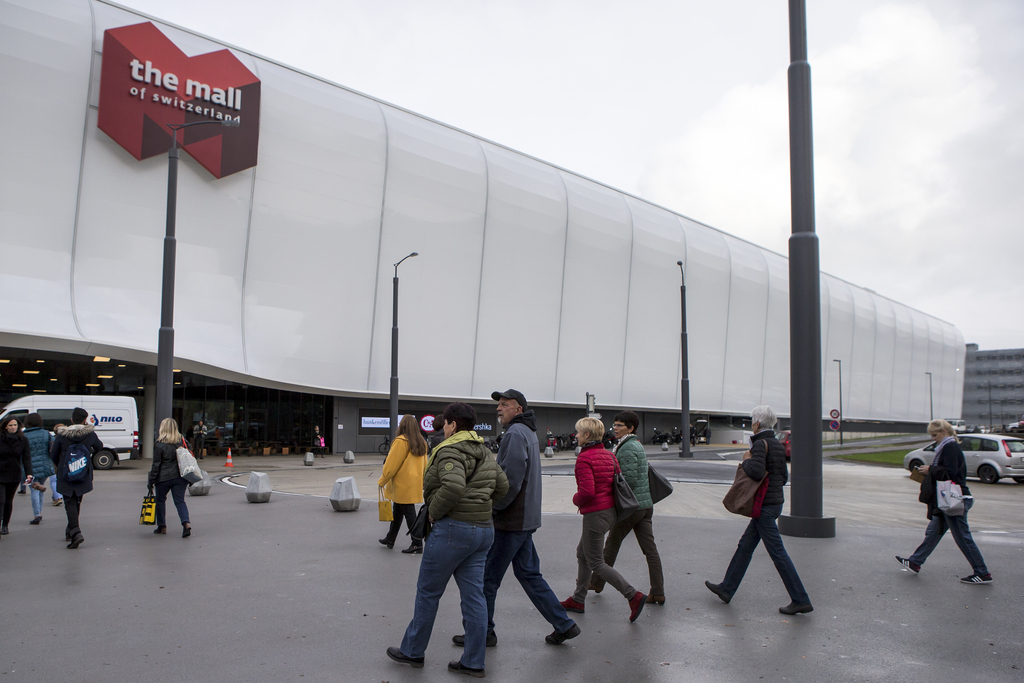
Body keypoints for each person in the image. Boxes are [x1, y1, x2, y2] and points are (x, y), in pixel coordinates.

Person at [387, 402, 509, 678]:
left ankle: (413, 651)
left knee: (429, 592)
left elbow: (453, 486)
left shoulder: (451, 449)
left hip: (454, 529)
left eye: (445, 425)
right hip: (483, 531)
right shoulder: (484, 450)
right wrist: (479, 502)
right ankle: (473, 662)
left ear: (453, 425)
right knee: (474, 597)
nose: (442, 430)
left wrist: (434, 514)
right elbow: (502, 487)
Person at [452, 389, 579, 648]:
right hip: (525, 519)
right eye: (498, 404)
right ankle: (564, 624)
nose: (499, 408)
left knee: (487, 578)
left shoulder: (515, 434)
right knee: (529, 575)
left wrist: (493, 509)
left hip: (511, 521)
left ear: (518, 409)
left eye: (504, 404)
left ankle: (483, 632)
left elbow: (510, 481)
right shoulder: (527, 432)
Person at [705, 405, 813, 615]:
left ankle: (801, 599)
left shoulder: (759, 444)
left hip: (763, 507)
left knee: (778, 553)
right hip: (774, 504)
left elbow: (755, 472)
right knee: (745, 546)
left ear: (756, 423)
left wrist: (746, 460)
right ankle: (727, 588)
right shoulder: (777, 444)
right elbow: (783, 477)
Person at [560, 416, 647, 623]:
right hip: (610, 512)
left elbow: (587, 491)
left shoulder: (584, 458)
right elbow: (616, 482)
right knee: (583, 554)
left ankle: (633, 595)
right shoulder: (609, 455)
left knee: (596, 563)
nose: (576, 436)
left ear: (587, 435)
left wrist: (575, 499)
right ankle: (578, 598)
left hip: (595, 515)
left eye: (579, 433)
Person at [895, 419, 992, 584]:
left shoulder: (950, 447)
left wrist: (930, 470)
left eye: (935, 435)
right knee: (934, 532)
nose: (933, 438)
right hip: (947, 499)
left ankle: (982, 572)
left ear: (944, 432)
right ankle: (915, 562)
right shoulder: (946, 447)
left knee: (962, 537)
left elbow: (951, 472)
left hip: (954, 499)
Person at [591, 410, 665, 605]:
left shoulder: (627, 448)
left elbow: (629, 480)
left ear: (630, 428)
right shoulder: (635, 445)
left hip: (633, 508)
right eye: (614, 425)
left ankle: (597, 582)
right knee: (650, 550)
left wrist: (612, 496)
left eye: (619, 425)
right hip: (645, 505)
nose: (615, 428)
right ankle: (658, 591)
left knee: (611, 545)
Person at [49, 407, 103, 549]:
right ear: (85, 420)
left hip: (66, 474)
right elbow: (99, 447)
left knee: (69, 502)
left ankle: (75, 532)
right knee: (77, 500)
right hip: (83, 473)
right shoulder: (90, 434)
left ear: (72, 419)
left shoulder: (62, 435)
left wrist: (62, 465)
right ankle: (70, 530)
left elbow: (53, 454)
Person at [378, 414, 428, 553]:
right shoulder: (421, 442)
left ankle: (417, 542)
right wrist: (424, 481)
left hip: (402, 484)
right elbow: (425, 464)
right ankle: (391, 538)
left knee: (408, 512)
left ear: (403, 425)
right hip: (413, 484)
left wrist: (382, 480)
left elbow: (391, 465)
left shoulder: (401, 441)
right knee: (398, 511)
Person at [149, 418, 193, 538]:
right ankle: (186, 524)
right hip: (181, 476)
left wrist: (151, 480)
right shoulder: (183, 441)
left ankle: (162, 526)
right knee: (180, 501)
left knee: (160, 500)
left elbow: (156, 465)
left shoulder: (159, 444)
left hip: (164, 477)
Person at [0, 416, 33, 537]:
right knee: (1, 500)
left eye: (15, 425)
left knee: (8, 501)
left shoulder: (23, 440)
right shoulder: (1, 438)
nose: (13, 427)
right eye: (10, 425)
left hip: (14, 473)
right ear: (5, 427)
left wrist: (29, 473)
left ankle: (5, 524)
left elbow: (26, 458)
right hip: (1, 473)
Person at [24, 413, 55, 526]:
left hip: (30, 467)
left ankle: (37, 514)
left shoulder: (24, 435)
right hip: (45, 465)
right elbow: (53, 445)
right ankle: (40, 512)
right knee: (40, 488)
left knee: (33, 489)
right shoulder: (46, 433)